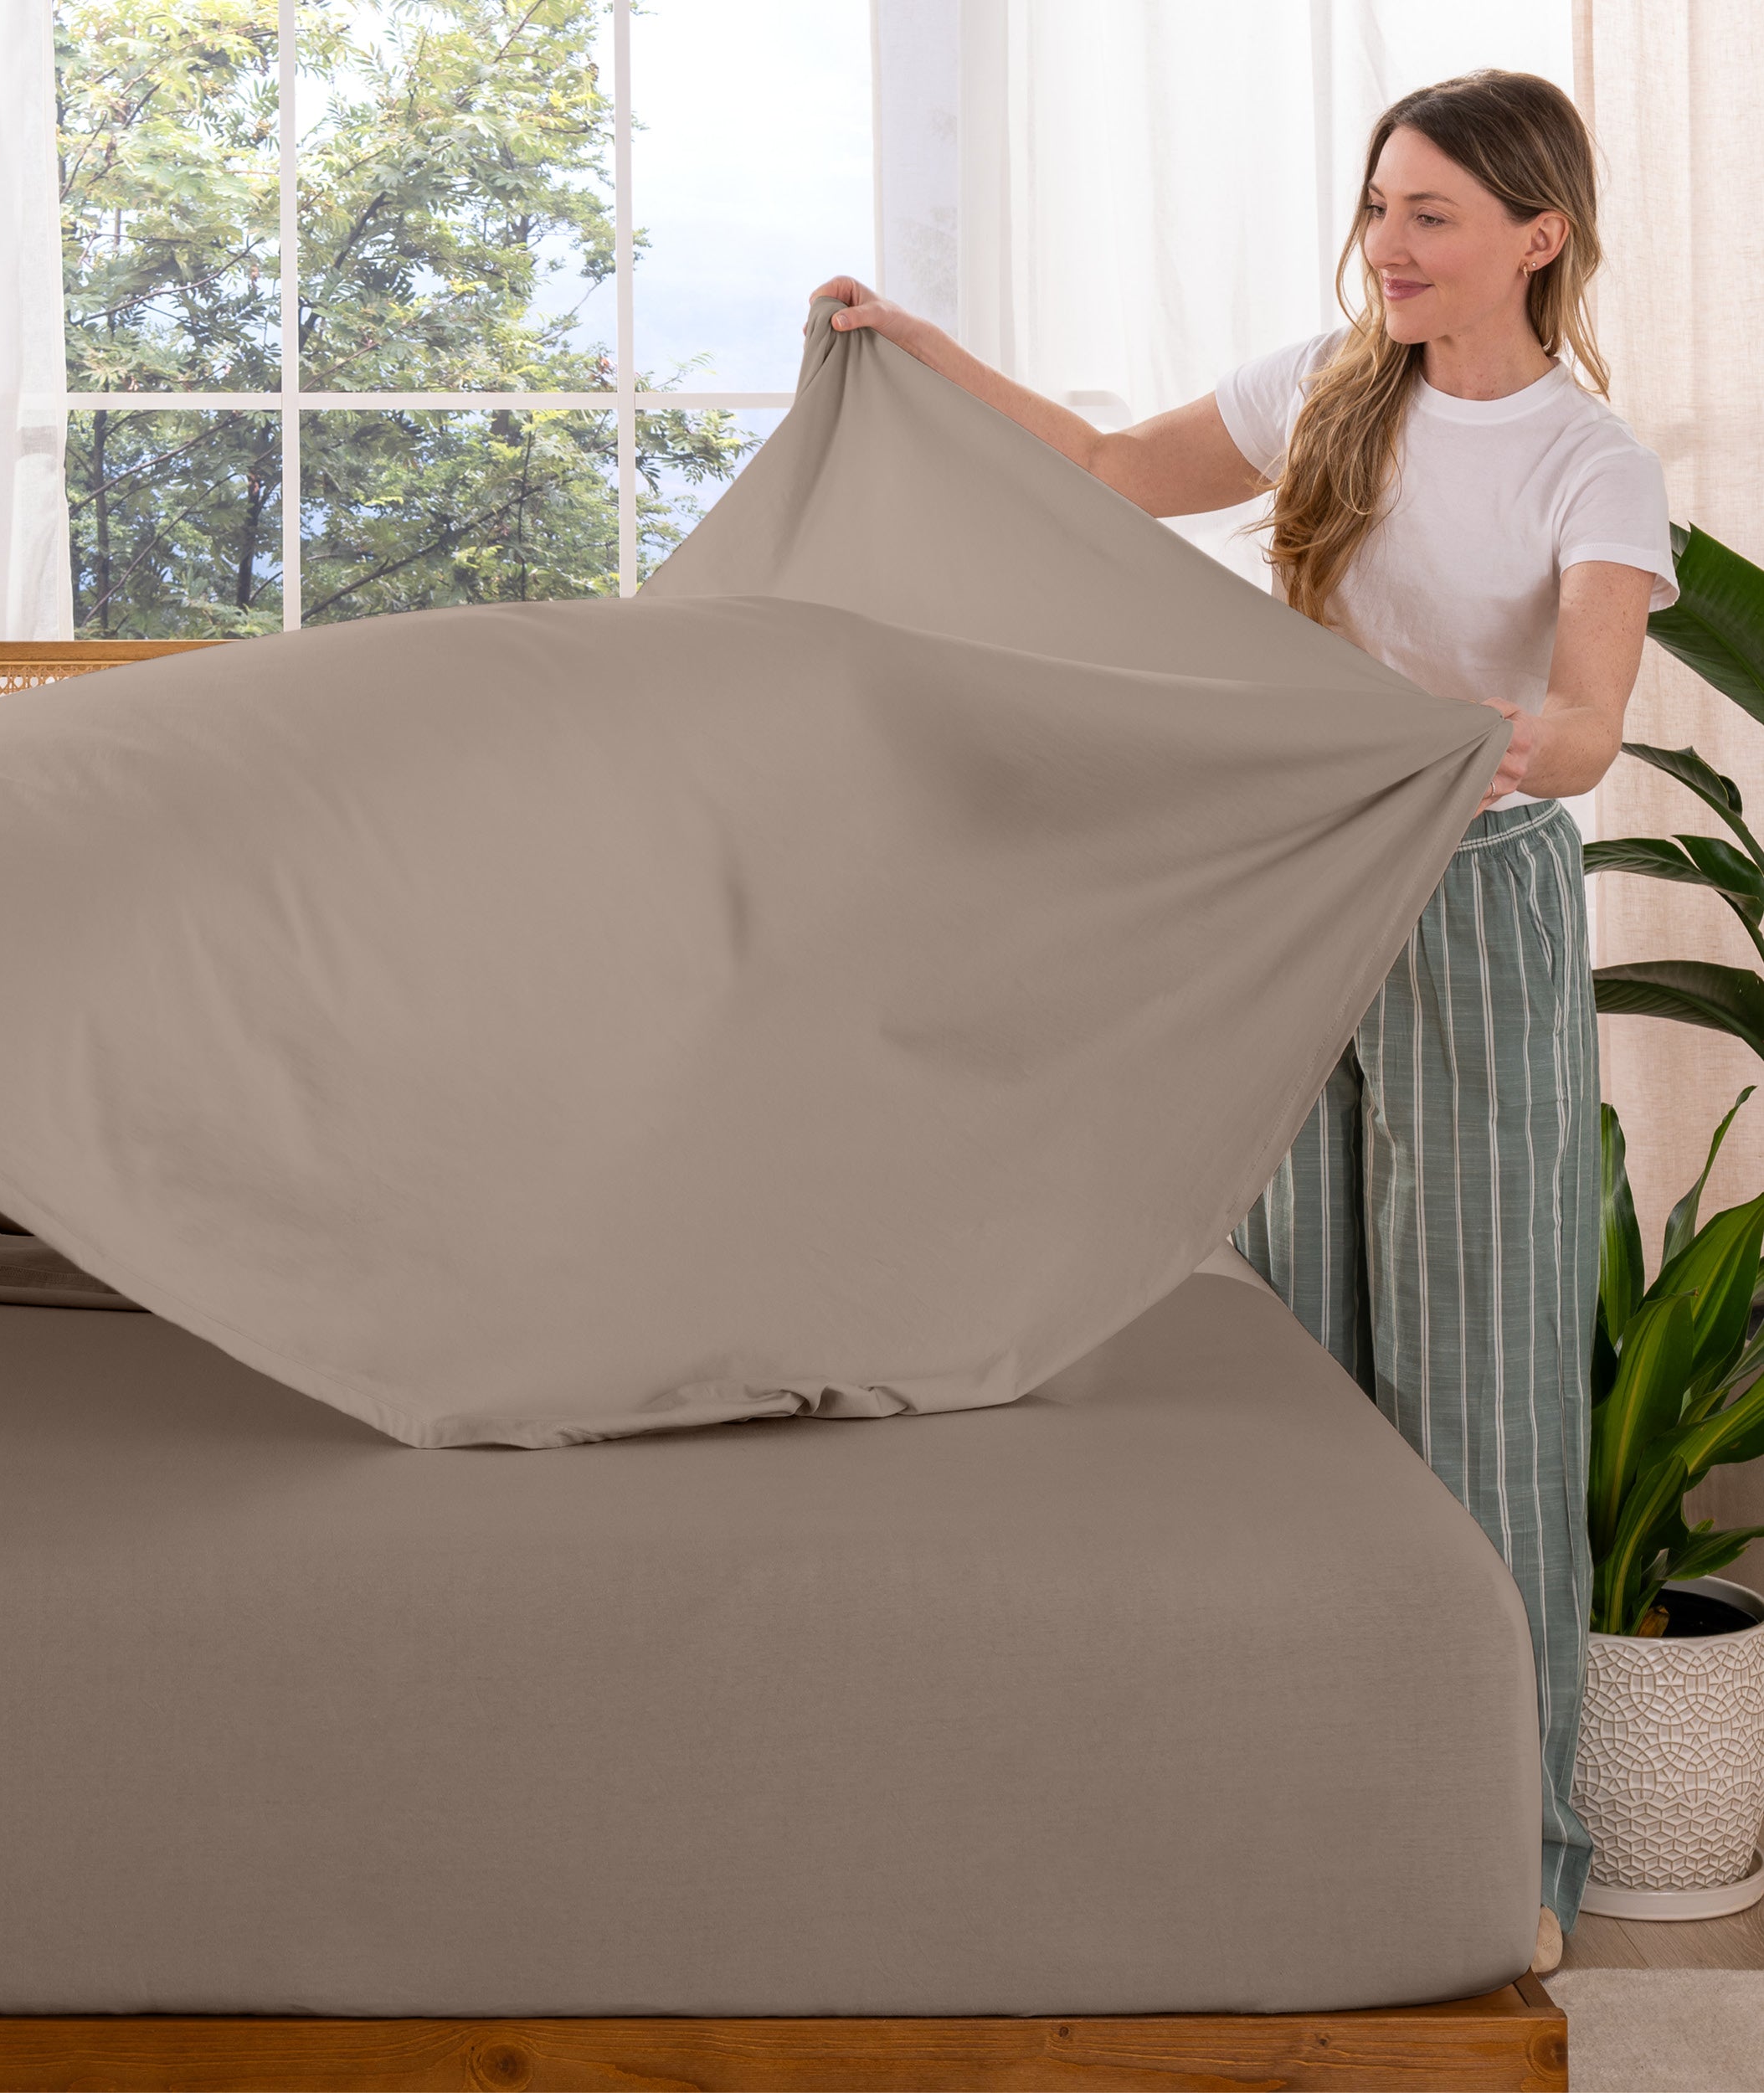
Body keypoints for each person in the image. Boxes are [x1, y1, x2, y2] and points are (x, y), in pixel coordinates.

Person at [811, 69, 1678, 1977]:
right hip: (1288, 889)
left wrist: (1440, 745)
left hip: (1465, 897)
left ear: (1535, 235)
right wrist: (917, 347)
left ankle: (1509, 1843)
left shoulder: (1586, 460)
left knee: (1475, 1395)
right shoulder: (1322, 383)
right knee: (1299, 1373)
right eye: (1377, 205)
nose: (1386, 242)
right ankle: (1311, 1812)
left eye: (1430, 213)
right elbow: (1114, 474)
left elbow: (1586, 724)